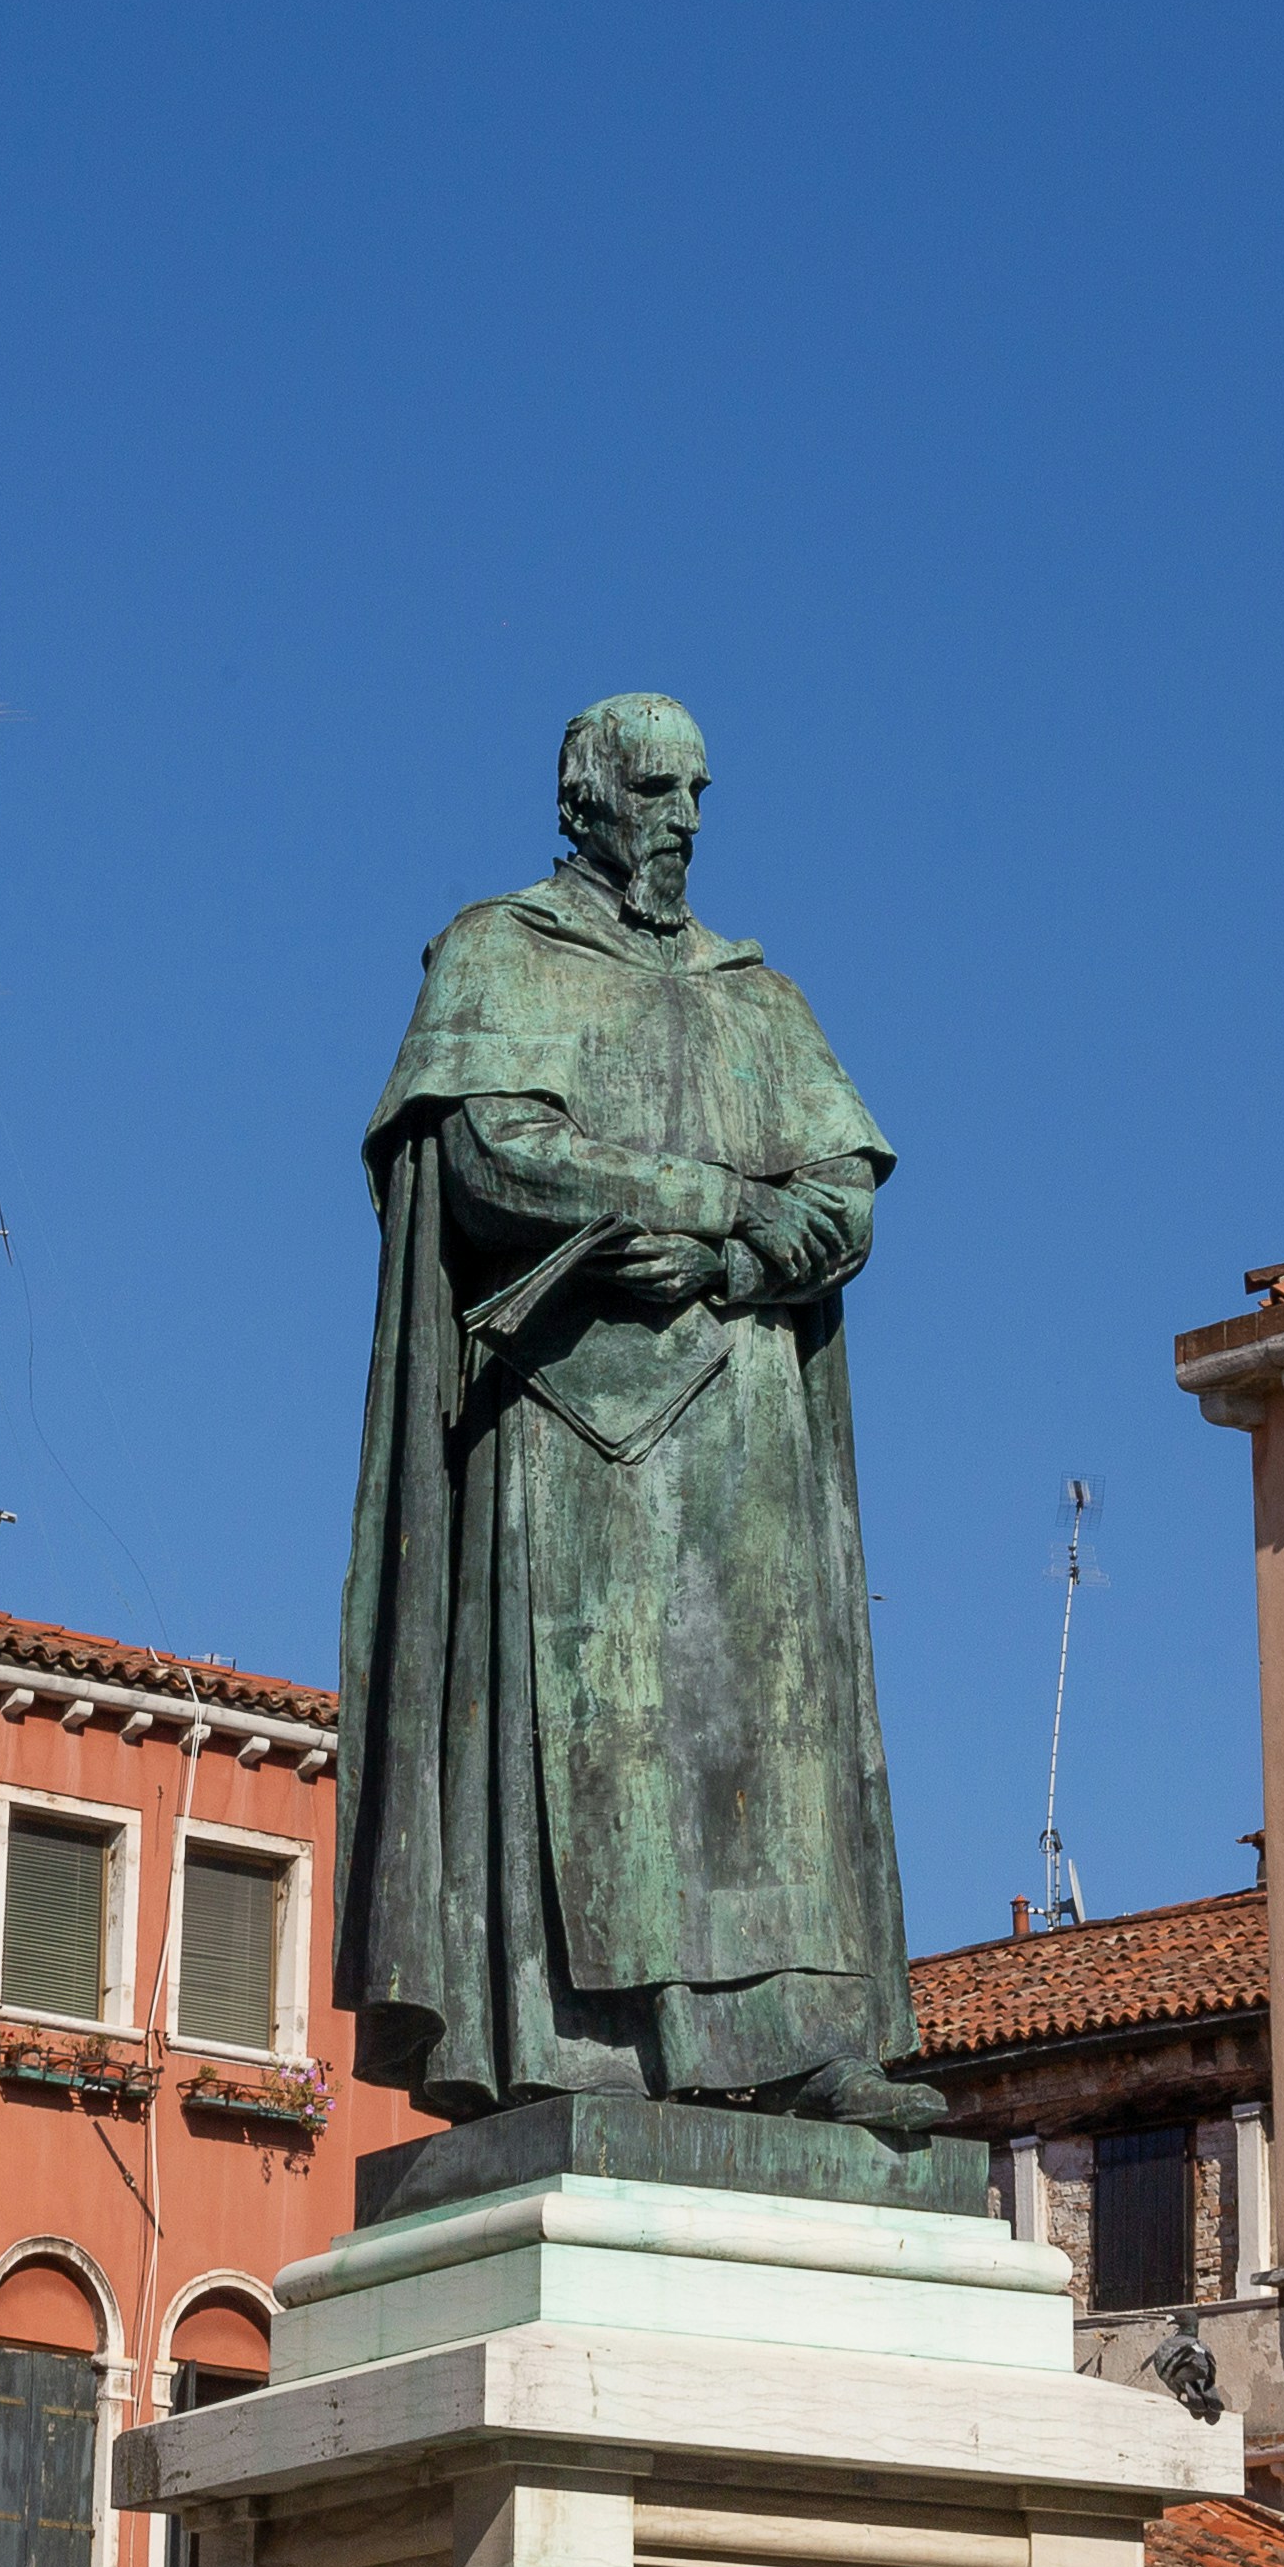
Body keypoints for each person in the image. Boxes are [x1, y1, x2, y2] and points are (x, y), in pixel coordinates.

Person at [334, 693, 943, 2130]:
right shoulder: (499, 954)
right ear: (586, 802)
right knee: (595, 1751)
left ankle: (799, 2044)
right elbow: (492, 1157)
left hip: (742, 1421)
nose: (682, 817)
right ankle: (569, 2047)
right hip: (569, 1418)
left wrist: (734, 1254)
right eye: (657, 790)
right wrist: (712, 1195)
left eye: (697, 793)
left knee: (762, 1744)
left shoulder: (755, 992)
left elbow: (845, 1197)